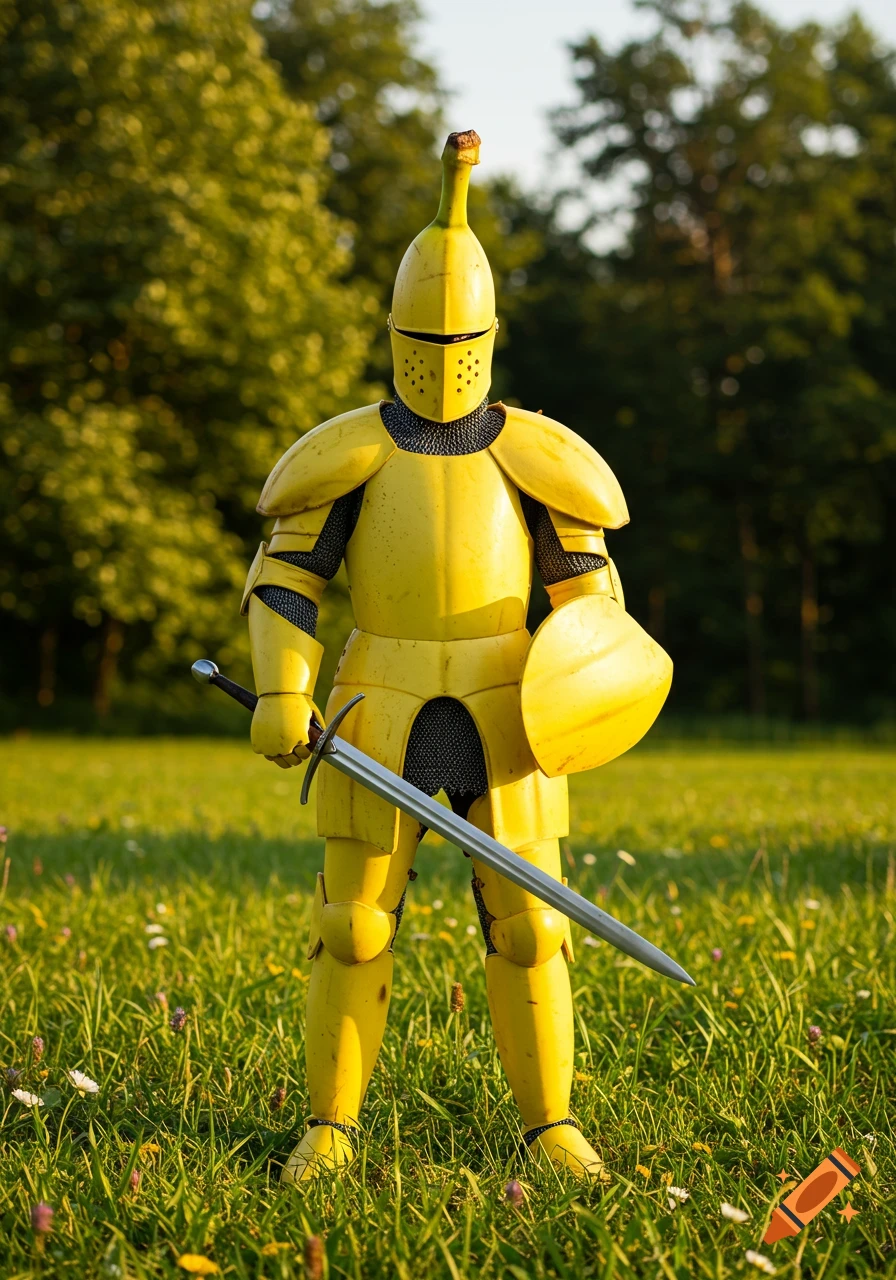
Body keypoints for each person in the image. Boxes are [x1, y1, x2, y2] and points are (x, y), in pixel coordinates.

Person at [242, 131, 671, 1183]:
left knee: (528, 929)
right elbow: (286, 580)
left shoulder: (538, 455)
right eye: (421, 340)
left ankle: (548, 1124)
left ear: (488, 333)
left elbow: (586, 597)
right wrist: (281, 686)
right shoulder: (348, 451)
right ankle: (331, 1125)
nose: (439, 361)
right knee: (351, 926)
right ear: (394, 334)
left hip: (508, 704)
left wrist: (587, 686)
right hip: (377, 700)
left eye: (457, 340)